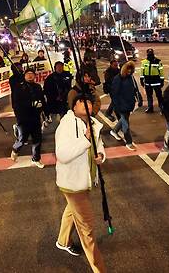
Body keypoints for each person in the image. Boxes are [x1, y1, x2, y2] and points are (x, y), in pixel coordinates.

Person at [55, 94, 107, 273]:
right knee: (87, 229)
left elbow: (99, 144)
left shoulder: (93, 124)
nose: (86, 104)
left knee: (71, 211)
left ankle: (63, 241)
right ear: (74, 106)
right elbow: (62, 154)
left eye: (89, 102)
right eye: (81, 102)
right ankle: (99, 269)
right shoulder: (67, 125)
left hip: (86, 179)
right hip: (72, 182)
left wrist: (100, 155)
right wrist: (85, 140)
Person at [11, 68, 47, 168]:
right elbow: (17, 103)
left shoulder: (38, 86)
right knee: (22, 139)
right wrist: (31, 104)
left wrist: (43, 108)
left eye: (32, 74)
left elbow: (42, 100)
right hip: (23, 118)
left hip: (35, 117)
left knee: (37, 139)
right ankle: (15, 149)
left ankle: (36, 158)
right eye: (28, 74)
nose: (30, 75)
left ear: (35, 76)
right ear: (24, 75)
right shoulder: (18, 87)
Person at [109, 60, 143, 150]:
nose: (129, 71)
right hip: (121, 105)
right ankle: (129, 142)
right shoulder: (118, 79)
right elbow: (114, 93)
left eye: (131, 69)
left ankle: (114, 131)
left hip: (129, 104)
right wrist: (117, 105)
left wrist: (139, 99)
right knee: (126, 125)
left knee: (124, 120)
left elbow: (135, 89)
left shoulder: (131, 78)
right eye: (128, 69)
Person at [44, 61, 73, 129]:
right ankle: (47, 124)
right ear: (55, 68)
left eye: (61, 66)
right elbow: (46, 90)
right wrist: (54, 97)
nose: (60, 68)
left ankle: (63, 128)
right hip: (54, 101)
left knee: (65, 115)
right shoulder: (50, 78)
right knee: (53, 118)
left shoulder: (67, 75)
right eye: (58, 67)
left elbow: (69, 86)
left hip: (65, 100)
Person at [140, 48, 164, 113]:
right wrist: (141, 79)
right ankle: (150, 108)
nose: (150, 54)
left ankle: (162, 107)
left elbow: (161, 72)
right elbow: (142, 72)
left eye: (151, 53)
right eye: (149, 53)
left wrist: (162, 80)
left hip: (156, 82)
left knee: (159, 96)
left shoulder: (158, 61)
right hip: (148, 82)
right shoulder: (144, 62)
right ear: (147, 53)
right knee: (149, 96)